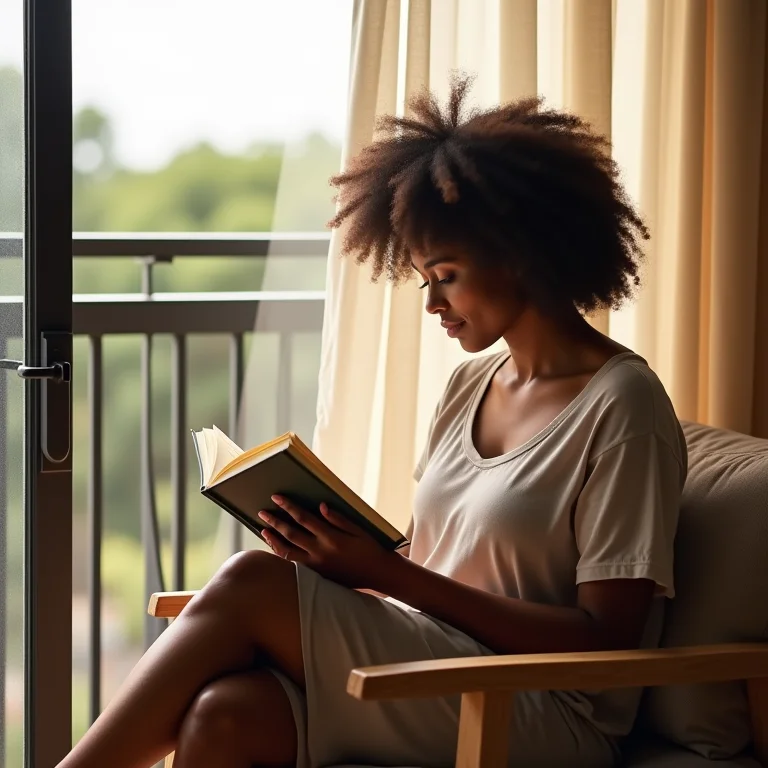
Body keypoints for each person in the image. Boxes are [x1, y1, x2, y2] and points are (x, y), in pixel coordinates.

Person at [57, 74, 687, 768]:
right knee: (227, 714)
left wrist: (389, 576)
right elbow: (438, 561)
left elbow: (606, 640)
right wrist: (341, 552)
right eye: (424, 280)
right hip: (440, 663)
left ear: (520, 254)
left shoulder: (623, 405)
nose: (433, 304)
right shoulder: (469, 386)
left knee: (248, 583)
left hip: (541, 707)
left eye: (446, 275)